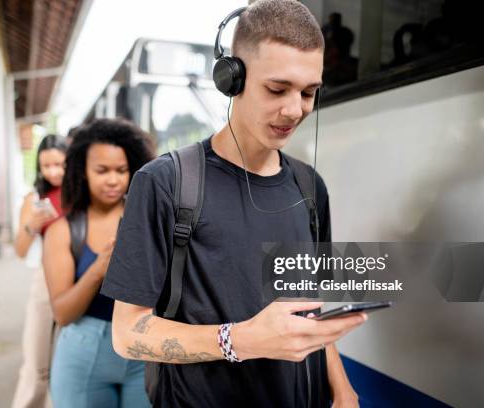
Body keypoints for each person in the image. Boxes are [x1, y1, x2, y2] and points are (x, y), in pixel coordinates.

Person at [101, 1, 365, 407]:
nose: (295, 110)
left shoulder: (311, 188)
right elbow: (127, 333)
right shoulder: (164, 183)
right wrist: (239, 339)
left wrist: (342, 389)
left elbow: (309, 311)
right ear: (231, 78)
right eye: (277, 89)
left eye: (309, 93)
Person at [43, 119, 155, 408]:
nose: (113, 180)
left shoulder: (149, 219)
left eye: (121, 170)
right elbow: (63, 313)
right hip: (83, 354)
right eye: (102, 171)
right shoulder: (63, 231)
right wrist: (100, 268)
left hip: (144, 348)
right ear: (82, 172)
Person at [12, 134, 67, 408]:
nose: (54, 171)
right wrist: (31, 224)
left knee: (70, 360)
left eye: (60, 164)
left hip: (80, 281)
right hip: (44, 283)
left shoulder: (82, 192)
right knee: (36, 363)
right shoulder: (34, 199)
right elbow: (20, 250)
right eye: (47, 166)